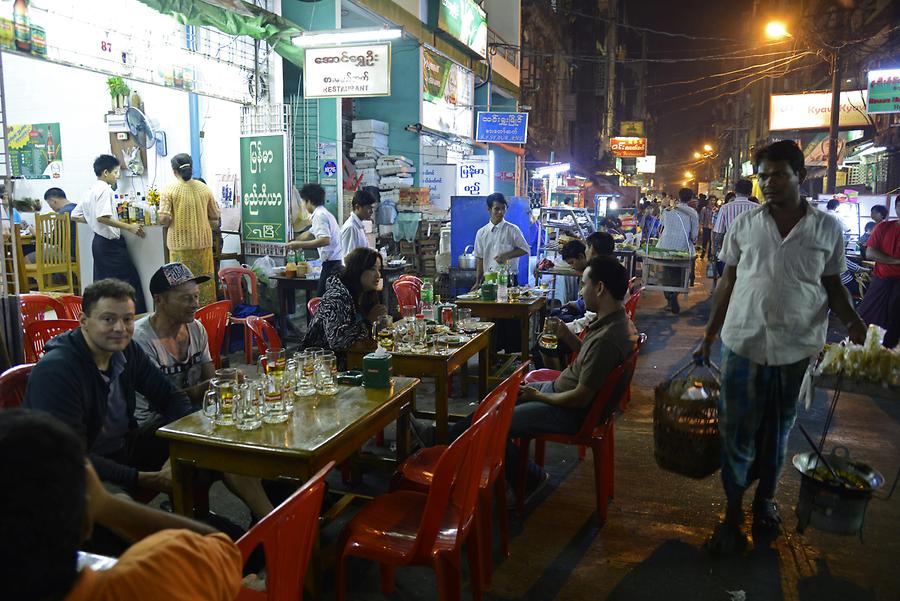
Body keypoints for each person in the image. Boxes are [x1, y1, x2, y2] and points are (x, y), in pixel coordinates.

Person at [695, 140, 866, 554]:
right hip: (742, 342)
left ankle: (765, 500)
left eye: (777, 175)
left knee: (779, 430)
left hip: (795, 349)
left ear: (799, 177)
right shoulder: (745, 225)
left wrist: (858, 327)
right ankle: (733, 512)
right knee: (736, 431)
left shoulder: (827, 228)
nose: (768, 183)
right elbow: (728, 283)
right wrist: (709, 335)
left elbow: (834, 287)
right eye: (762, 175)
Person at [0, 409, 246, 601]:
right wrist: (107, 504)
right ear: (87, 523)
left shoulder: (127, 360)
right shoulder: (140, 585)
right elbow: (220, 550)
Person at [452, 256, 638, 496]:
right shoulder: (616, 323)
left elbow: (580, 398)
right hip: (563, 392)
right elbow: (590, 361)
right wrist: (566, 334)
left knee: (494, 423)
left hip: (570, 411)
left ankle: (526, 479)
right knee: (498, 399)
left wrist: (537, 396)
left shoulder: (607, 339)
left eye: (584, 284)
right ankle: (450, 436)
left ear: (600, 288)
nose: (581, 291)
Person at [132, 263, 275, 521]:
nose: (194, 304)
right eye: (186, 298)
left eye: (196, 297)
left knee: (252, 434)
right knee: (227, 452)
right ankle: (275, 523)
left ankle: (271, 518)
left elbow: (213, 381)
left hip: (193, 418)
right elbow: (158, 404)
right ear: (159, 300)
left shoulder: (195, 329)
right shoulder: (141, 341)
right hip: (152, 429)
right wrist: (205, 389)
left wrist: (229, 380)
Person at [23, 278, 191, 494]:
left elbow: (173, 398)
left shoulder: (127, 351)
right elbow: (69, 456)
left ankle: (220, 519)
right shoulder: (57, 371)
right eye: (108, 319)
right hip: (69, 476)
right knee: (119, 507)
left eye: (128, 319)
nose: (120, 328)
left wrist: (175, 454)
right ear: (83, 321)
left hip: (122, 449)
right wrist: (147, 479)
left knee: (209, 448)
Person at [71, 155, 147, 313]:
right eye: (116, 172)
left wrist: (93, 221)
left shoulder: (90, 190)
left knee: (103, 285)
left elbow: (75, 215)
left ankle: (105, 314)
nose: (117, 176)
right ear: (106, 172)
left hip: (98, 243)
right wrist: (129, 227)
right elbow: (102, 217)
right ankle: (133, 315)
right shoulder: (105, 190)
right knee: (127, 283)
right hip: (110, 244)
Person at [301, 247, 388, 369]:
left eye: (379, 269)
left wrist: (381, 322)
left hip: (354, 358)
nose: (378, 274)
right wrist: (368, 322)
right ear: (358, 269)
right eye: (373, 269)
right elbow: (337, 341)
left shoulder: (366, 294)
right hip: (323, 365)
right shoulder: (336, 297)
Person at [157, 154, 220, 307]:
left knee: (181, 287)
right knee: (204, 285)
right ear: (191, 168)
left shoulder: (169, 190)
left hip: (180, 249)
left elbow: (164, 219)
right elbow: (215, 217)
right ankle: (207, 319)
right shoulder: (204, 189)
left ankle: (184, 322)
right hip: (203, 247)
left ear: (174, 171)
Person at [857, 194, 900, 348]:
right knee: (868, 324)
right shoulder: (883, 227)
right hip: (881, 283)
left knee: (894, 330)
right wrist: (897, 261)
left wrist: (889, 260)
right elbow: (870, 253)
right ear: (896, 208)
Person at [288, 183, 343, 298]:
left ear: (308, 201)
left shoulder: (319, 216)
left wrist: (299, 244)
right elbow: (309, 233)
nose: (302, 205)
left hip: (331, 266)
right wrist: (293, 240)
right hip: (334, 264)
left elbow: (324, 240)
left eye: (303, 201)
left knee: (322, 300)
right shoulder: (323, 213)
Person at [472, 192, 530, 289]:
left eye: (503, 208)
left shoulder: (512, 230)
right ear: (489, 210)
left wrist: (506, 256)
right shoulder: (481, 233)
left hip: (509, 279)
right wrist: (478, 282)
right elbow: (480, 258)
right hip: (489, 280)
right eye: (497, 209)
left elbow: (525, 249)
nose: (501, 212)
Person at [656, 188, 699, 313]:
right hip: (682, 247)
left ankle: (669, 298)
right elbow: (694, 234)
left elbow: (661, 224)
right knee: (679, 272)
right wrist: (693, 240)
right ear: (690, 198)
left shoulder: (668, 210)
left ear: (679, 197)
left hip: (665, 246)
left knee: (667, 272)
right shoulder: (692, 213)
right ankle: (674, 294)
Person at [340, 188, 378, 258]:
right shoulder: (351, 227)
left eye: (372, 208)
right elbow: (348, 258)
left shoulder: (359, 226)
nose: (371, 212)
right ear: (357, 207)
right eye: (368, 208)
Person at [44, 187, 78, 259]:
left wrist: (37, 235)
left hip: (68, 254)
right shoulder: (77, 208)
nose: (50, 207)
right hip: (82, 252)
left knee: (28, 258)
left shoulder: (63, 213)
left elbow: (55, 240)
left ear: (53, 201)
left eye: (49, 203)